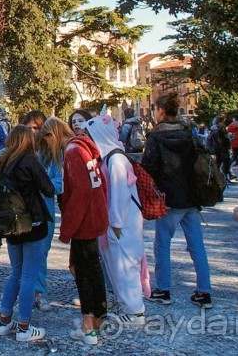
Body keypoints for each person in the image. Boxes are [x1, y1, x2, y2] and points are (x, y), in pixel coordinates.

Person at [142, 91, 213, 309]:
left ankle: (163, 290)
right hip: (191, 197)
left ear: (160, 111)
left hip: (169, 199)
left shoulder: (155, 137)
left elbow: (148, 168)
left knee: (162, 244)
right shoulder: (188, 134)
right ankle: (204, 291)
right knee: (197, 245)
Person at [0, 125, 55, 342]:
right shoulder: (28, 161)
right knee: (29, 275)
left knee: (15, 273)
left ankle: (4, 320)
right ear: (28, 141)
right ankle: (24, 327)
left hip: (9, 225)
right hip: (32, 223)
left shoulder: (0, 161)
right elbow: (48, 188)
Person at [85, 110, 146, 328]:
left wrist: (116, 223)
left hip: (123, 223)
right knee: (118, 266)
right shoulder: (112, 157)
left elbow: (120, 194)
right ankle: (128, 306)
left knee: (126, 266)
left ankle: (135, 311)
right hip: (117, 222)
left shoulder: (116, 160)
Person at [59, 118, 109, 346]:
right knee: (92, 269)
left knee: (83, 271)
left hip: (83, 221)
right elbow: (100, 184)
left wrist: (67, 229)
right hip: (94, 217)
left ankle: (88, 326)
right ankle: (99, 317)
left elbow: (79, 194)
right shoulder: (84, 148)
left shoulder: (71, 152)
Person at [34, 117, 70, 313]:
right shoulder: (38, 152)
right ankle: (32, 291)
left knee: (42, 251)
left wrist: (43, 186)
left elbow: (60, 182)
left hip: (46, 208)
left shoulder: (60, 155)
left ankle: (37, 292)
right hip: (32, 208)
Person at [209, 115, 232, 181]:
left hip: (217, 148)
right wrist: (229, 137)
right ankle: (223, 176)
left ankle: (216, 176)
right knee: (226, 162)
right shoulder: (221, 128)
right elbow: (222, 139)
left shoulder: (214, 128)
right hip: (222, 148)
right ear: (220, 121)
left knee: (218, 162)